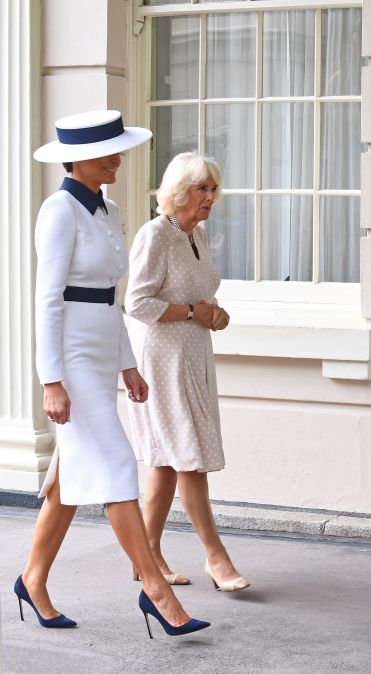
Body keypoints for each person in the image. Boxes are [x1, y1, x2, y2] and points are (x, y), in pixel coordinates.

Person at [17, 110, 209, 638]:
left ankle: (32, 580)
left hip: (102, 353)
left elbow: (111, 298)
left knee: (67, 483)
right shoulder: (59, 211)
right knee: (118, 464)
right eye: (108, 153)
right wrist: (50, 379)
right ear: (78, 158)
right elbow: (47, 299)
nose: (117, 160)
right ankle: (156, 591)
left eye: (118, 150)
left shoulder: (108, 209)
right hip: (72, 358)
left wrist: (128, 365)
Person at [125, 152, 250, 592]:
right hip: (161, 360)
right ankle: (217, 558)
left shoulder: (195, 236)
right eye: (202, 188)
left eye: (213, 189)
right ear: (178, 192)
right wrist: (195, 311)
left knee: (165, 462)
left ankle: (147, 555)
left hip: (193, 358)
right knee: (188, 458)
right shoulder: (155, 234)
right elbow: (136, 302)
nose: (210, 197)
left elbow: (198, 299)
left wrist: (214, 315)